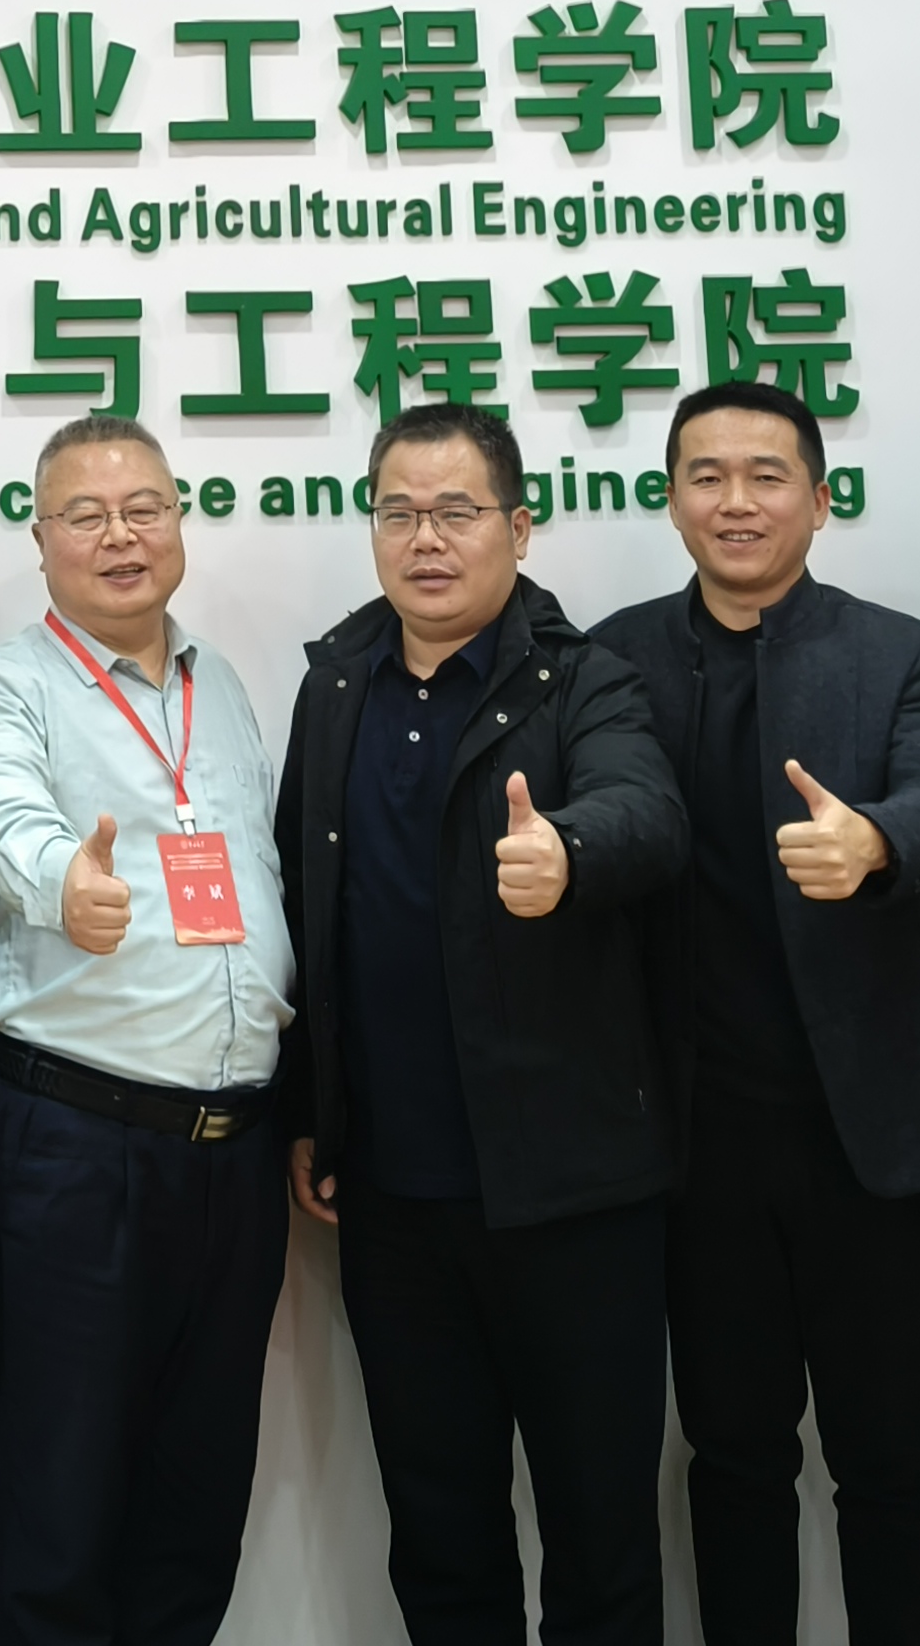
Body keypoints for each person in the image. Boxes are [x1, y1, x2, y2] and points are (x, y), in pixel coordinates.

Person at [272, 403, 686, 1646]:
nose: (425, 539)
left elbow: (647, 813)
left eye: (456, 512)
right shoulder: (334, 685)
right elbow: (308, 906)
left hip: (569, 1193)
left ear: (519, 525)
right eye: (398, 513)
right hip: (394, 1199)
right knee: (439, 1534)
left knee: (599, 1538)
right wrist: (311, 1109)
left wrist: (569, 850)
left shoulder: (584, 678)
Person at [588, 383, 920, 1646]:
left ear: (819, 497)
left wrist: (876, 842)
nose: (736, 502)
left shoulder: (903, 653)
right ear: (670, 500)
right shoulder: (613, 659)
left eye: (766, 476)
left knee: (889, 1458)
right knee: (731, 1454)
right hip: (697, 1141)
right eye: (706, 476)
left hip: (870, 1136)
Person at [0, 414, 295, 1646]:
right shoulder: (5, 684)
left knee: (198, 1502)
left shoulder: (219, 685)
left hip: (233, 1154)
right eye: (85, 515)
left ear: (178, 523)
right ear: (39, 539)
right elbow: (0, 811)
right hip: (76, 1147)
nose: (120, 535)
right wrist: (62, 882)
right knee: (65, 1509)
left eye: (144, 508)